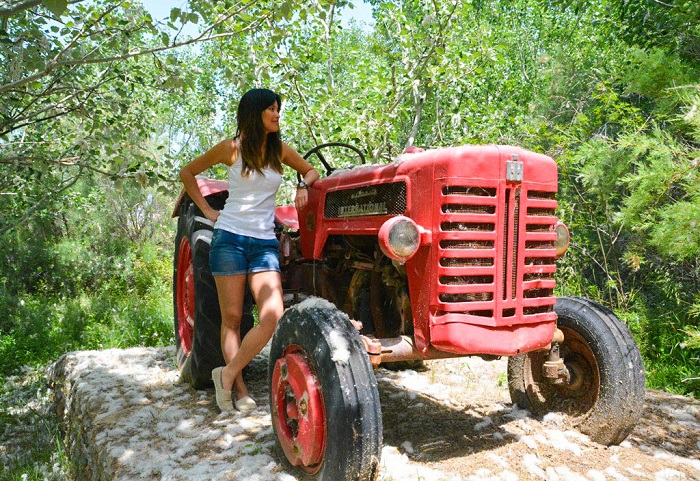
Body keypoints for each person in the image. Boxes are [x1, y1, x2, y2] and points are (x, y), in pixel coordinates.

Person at [179, 88, 319, 412]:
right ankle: (239, 388)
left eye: (278, 109)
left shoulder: (278, 150)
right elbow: (188, 173)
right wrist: (208, 212)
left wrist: (302, 184)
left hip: (263, 242)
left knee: (272, 315)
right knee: (232, 318)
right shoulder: (232, 148)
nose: (277, 115)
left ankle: (225, 374)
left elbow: (310, 171)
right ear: (255, 113)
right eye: (271, 109)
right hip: (228, 238)